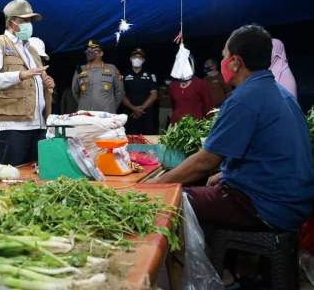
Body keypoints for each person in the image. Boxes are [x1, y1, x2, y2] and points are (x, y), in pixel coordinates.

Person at [147, 24, 314, 232]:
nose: (222, 61)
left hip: (267, 207)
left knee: (170, 200)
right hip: (293, 204)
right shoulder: (281, 93)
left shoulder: (244, 98)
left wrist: (155, 187)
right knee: (205, 185)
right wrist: (225, 175)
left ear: (235, 63)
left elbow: (206, 162)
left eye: (224, 56)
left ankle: (186, 264)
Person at [0, 0, 55, 166]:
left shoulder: (31, 50)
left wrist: (46, 83)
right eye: (24, 20)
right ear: (10, 22)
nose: (29, 24)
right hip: (11, 126)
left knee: (34, 179)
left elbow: (34, 80)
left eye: (30, 21)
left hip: (37, 124)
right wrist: (20, 75)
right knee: (10, 179)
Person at [71, 40, 124, 113]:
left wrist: (111, 108)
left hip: (106, 114)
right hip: (85, 113)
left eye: (94, 50)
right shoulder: (80, 70)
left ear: (101, 53)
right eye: (88, 50)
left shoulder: (112, 69)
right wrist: (84, 104)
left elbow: (119, 92)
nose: (90, 51)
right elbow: (75, 92)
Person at [122, 48, 159, 134]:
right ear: (131, 59)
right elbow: (121, 95)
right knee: (129, 140)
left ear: (143, 60)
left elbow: (154, 95)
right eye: (135, 57)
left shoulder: (150, 75)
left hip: (146, 114)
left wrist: (140, 109)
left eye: (140, 57)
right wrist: (133, 108)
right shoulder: (124, 75)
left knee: (147, 141)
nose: (137, 59)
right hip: (129, 114)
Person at [168, 59, 213, 124]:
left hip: (195, 125)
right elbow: (173, 106)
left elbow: (208, 106)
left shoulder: (200, 84)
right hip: (176, 125)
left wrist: (209, 124)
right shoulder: (173, 85)